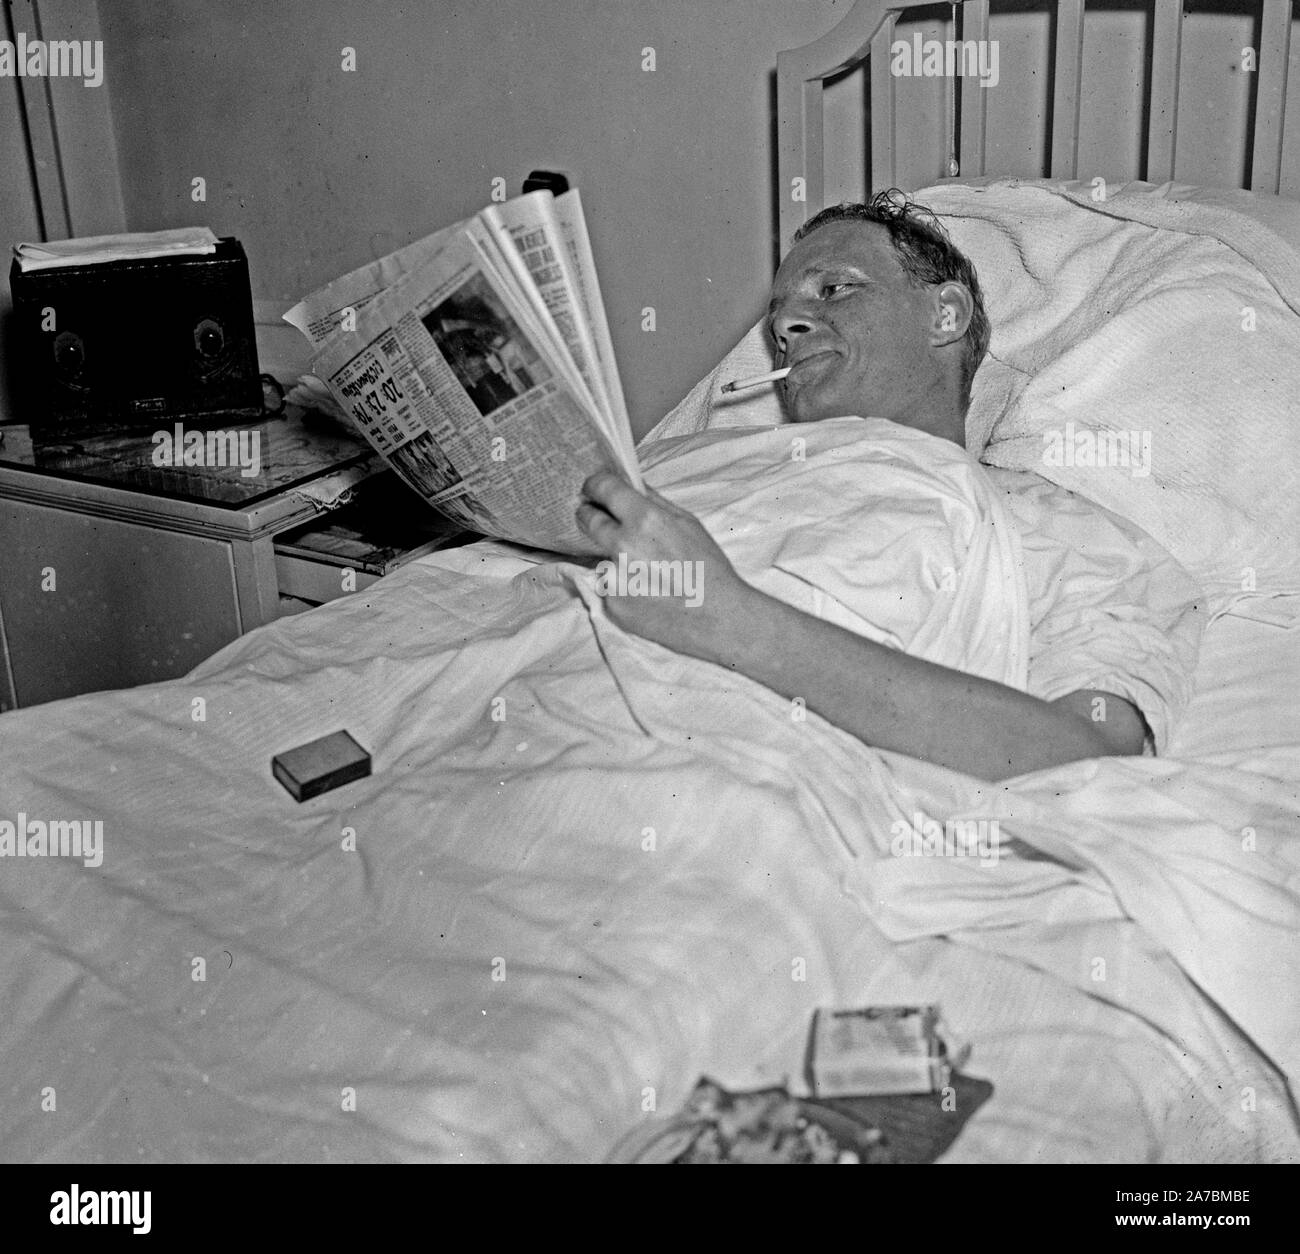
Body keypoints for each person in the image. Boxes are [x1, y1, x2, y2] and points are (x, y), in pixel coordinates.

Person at [575, 193, 1203, 783]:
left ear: (945, 314)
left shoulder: (1060, 530)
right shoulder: (674, 459)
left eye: (835, 289)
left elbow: (1082, 756)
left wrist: (731, 621)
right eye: (777, 321)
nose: (788, 322)